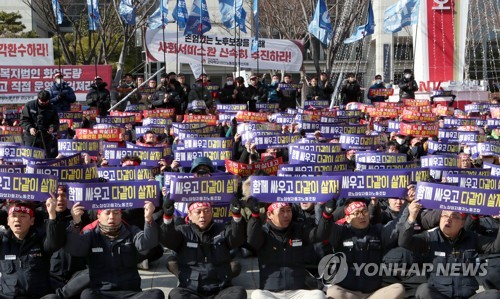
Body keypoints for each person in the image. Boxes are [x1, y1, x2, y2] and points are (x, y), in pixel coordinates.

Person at [400, 201, 500, 299]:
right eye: (444, 216)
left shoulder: (472, 238)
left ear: (462, 223)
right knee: (424, 290)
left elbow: (495, 247)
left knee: (493, 295)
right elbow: (404, 242)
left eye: (454, 216)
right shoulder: (430, 238)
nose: (448, 220)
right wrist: (412, 217)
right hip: (440, 295)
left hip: (468, 295)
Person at [65, 203, 164, 299]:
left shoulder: (132, 231)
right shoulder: (91, 234)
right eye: (107, 213)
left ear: (121, 215)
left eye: (116, 213)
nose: (112, 217)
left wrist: (148, 218)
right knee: (87, 295)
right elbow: (76, 249)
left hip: (131, 293)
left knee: (156, 294)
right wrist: (76, 223)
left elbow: (148, 244)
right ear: (98, 217)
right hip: (102, 292)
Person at [247, 198, 336, 299]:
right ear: (269, 215)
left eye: (288, 210)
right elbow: (252, 240)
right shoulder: (263, 233)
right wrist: (255, 216)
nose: (286, 215)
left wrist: (327, 214)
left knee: (318, 295)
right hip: (271, 293)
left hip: (298, 292)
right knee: (257, 295)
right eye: (282, 211)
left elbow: (319, 235)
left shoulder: (298, 230)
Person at [160, 196, 247, 299]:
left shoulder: (222, 229)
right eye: (198, 212)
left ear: (212, 214)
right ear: (190, 215)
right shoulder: (182, 232)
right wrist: (167, 218)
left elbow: (237, 238)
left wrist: (236, 216)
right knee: (176, 295)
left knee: (238, 292)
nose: (203, 215)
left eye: (206, 211)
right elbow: (168, 239)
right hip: (191, 289)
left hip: (221, 289)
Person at [325, 199, 405, 299]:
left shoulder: (378, 230)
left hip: (374, 294)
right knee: (333, 292)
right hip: (348, 293)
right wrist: (326, 205)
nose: (361, 216)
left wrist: (408, 204)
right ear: (348, 218)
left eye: (364, 211)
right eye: (356, 213)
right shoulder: (340, 232)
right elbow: (324, 227)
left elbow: (397, 225)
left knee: (398, 289)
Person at [0, 199, 65, 299]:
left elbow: (54, 244)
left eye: (22, 216)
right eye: (14, 216)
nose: (17, 219)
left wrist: (52, 214)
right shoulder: (2, 241)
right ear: (8, 221)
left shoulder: (40, 239)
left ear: (32, 221)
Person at [20, 90, 60, 158]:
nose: (44, 103)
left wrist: (52, 128)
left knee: (46, 158)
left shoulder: (52, 108)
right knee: (29, 157)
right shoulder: (30, 105)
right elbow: (23, 120)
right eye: (42, 102)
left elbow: (55, 122)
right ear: (38, 99)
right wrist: (30, 128)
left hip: (46, 137)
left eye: (46, 102)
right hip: (31, 136)